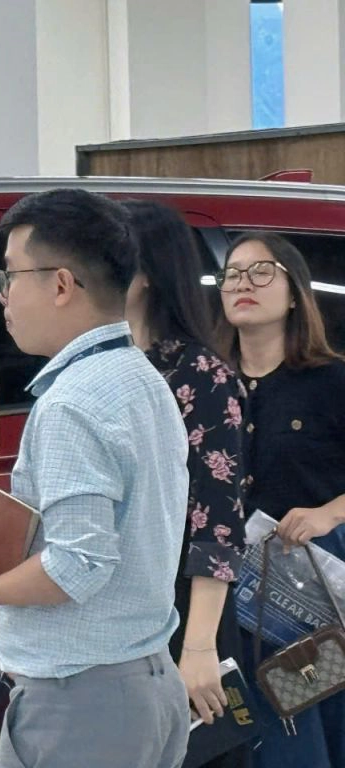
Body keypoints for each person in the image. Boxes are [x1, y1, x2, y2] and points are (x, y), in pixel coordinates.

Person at [0, 188, 191, 768]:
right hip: (146, 680)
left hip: (83, 700)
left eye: (10, 276)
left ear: (60, 284)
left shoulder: (71, 402)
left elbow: (78, 564)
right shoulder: (142, 377)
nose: (3, 297)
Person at [123, 201, 249, 765]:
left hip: (183, 607)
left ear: (147, 272)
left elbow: (218, 522)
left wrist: (199, 647)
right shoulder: (105, 363)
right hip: (120, 607)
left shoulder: (202, 374)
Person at [215, 231, 345, 768]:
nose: (243, 283)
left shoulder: (329, 380)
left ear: (295, 294)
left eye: (261, 271)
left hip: (308, 597)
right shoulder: (209, 385)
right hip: (223, 592)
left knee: (304, 726)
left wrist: (328, 513)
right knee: (239, 731)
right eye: (232, 274)